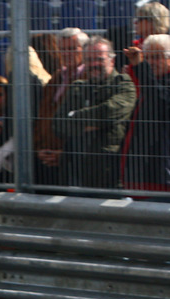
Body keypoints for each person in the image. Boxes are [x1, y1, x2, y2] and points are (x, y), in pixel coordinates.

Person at [53, 38, 136, 188]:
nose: (93, 64)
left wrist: (74, 116)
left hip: (108, 173)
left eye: (99, 59)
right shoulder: (78, 87)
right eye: (89, 60)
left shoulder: (124, 85)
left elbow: (108, 112)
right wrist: (91, 123)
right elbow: (58, 124)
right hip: (75, 171)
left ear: (112, 60)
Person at [34, 28, 88, 186]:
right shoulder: (55, 79)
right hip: (45, 156)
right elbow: (42, 116)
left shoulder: (89, 79)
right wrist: (39, 148)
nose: (66, 53)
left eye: (72, 49)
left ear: (83, 50)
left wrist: (64, 154)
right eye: (63, 49)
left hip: (73, 162)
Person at [121, 34, 170, 193]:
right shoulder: (148, 81)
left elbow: (160, 101)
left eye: (157, 57)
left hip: (161, 178)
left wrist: (141, 69)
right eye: (148, 58)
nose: (151, 63)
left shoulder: (155, 83)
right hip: (141, 175)